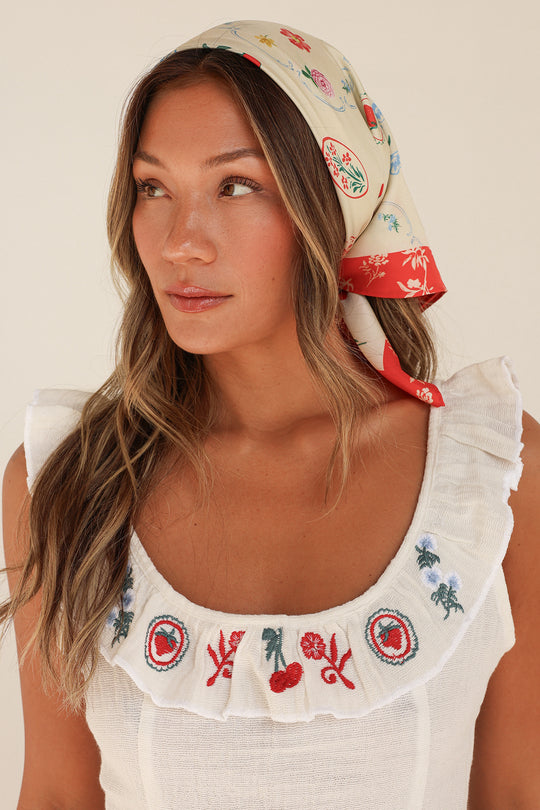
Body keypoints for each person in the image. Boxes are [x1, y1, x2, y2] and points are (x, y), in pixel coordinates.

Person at [2, 19, 539, 810]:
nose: (181, 242)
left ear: (334, 204)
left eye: (235, 186)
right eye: (153, 188)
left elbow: (517, 792)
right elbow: (53, 795)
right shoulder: (70, 481)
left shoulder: (495, 476)